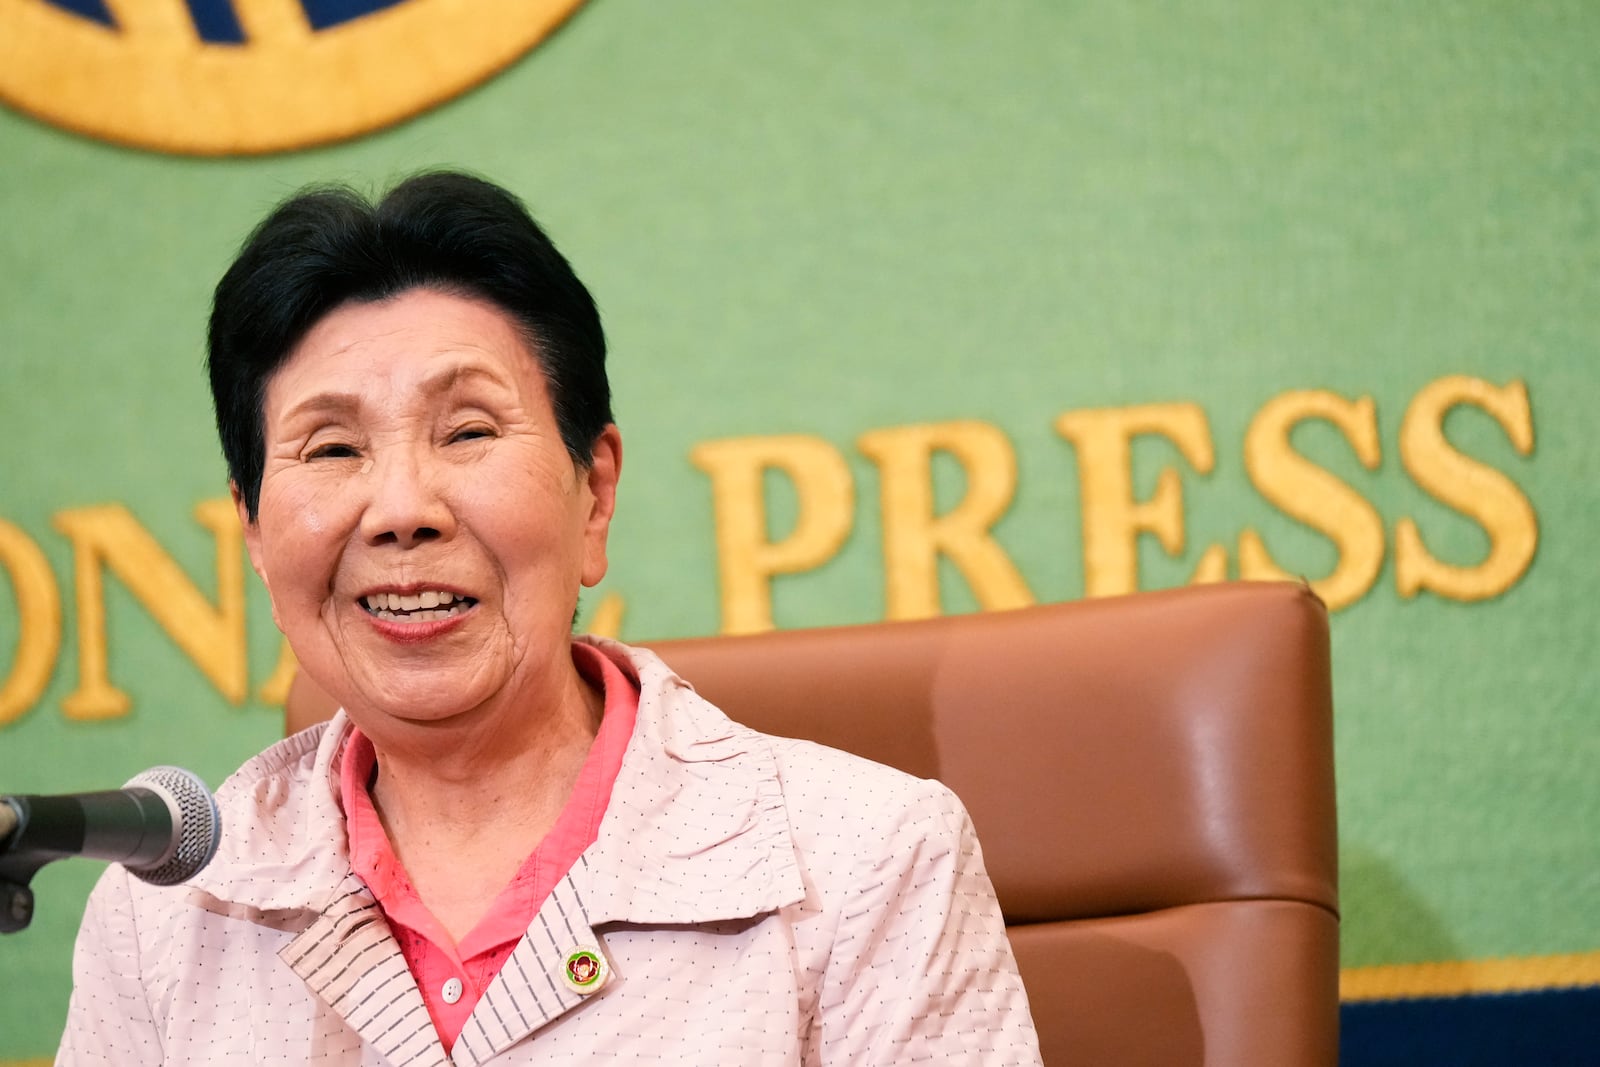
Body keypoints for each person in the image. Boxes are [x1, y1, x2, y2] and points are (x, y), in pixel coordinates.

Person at [58, 171, 1042, 1064]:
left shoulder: (863, 863)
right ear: (256, 532)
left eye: (469, 431)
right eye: (330, 449)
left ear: (595, 493)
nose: (402, 507)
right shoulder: (165, 920)